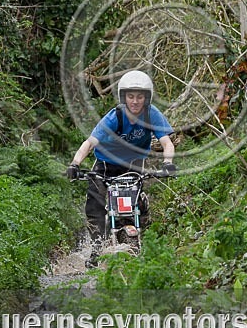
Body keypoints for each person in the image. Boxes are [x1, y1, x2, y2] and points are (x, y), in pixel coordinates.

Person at [67, 69, 176, 247]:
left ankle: (140, 230)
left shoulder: (151, 114)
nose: (135, 101)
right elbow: (89, 143)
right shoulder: (114, 117)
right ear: (123, 97)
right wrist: (75, 164)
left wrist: (168, 163)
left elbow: (167, 143)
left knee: (134, 204)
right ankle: (96, 248)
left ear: (146, 98)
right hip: (105, 164)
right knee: (94, 204)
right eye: (130, 96)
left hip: (133, 164)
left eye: (139, 97)